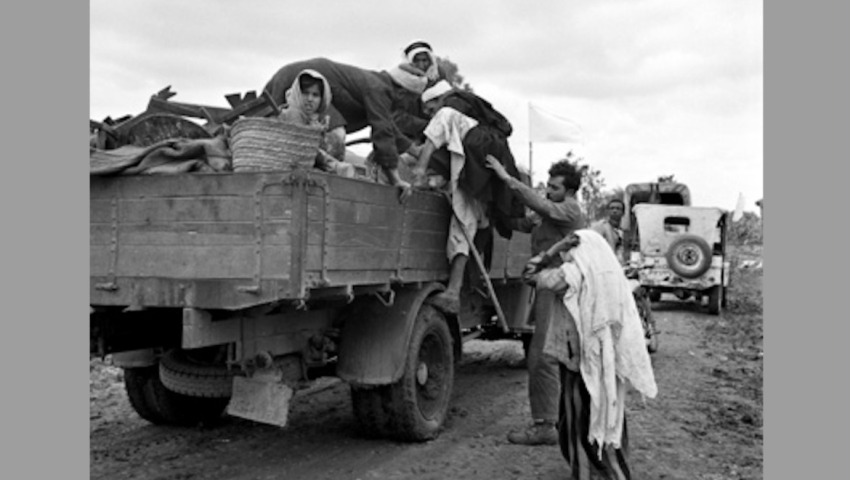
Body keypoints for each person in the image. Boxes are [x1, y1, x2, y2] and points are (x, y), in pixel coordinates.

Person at [524, 229, 658, 479]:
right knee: (609, 416)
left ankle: (592, 473)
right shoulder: (610, 275)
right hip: (607, 360)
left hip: (580, 361)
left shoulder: (570, 275)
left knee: (579, 419)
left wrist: (553, 249)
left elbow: (529, 275)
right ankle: (613, 468)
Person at [484, 155, 585, 446]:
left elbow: (539, 206)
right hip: (550, 286)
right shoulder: (554, 210)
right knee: (553, 354)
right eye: (548, 185)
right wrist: (494, 211)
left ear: (569, 191)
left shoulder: (568, 209)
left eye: (554, 187)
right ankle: (559, 419)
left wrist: (506, 179)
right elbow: (525, 223)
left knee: (542, 356)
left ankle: (545, 425)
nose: (548, 190)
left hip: (559, 287)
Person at [411, 81, 524, 314]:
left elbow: (432, 140)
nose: (431, 115)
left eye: (430, 109)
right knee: (468, 223)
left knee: (463, 224)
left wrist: (419, 171)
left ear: (437, 100)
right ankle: (455, 289)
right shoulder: (470, 121)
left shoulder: (447, 111)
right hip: (484, 169)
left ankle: (453, 292)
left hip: (478, 167)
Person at [263, 58, 430, 191]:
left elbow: (386, 125)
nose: (407, 104)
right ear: (403, 91)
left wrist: (413, 150)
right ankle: (326, 188)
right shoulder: (378, 88)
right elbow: (382, 132)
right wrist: (396, 178)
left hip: (298, 77)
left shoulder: (379, 84)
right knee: (336, 135)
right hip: (305, 79)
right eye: (410, 99)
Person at [276, 69, 354, 177]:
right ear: (297, 93)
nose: (310, 99)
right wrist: (333, 165)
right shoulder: (292, 113)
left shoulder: (313, 121)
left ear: (322, 98)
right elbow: (304, 147)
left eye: (315, 95)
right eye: (305, 93)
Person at [590, 198, 625, 263]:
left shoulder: (622, 231)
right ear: (608, 211)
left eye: (618, 208)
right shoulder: (602, 226)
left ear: (623, 212)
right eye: (612, 208)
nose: (614, 211)